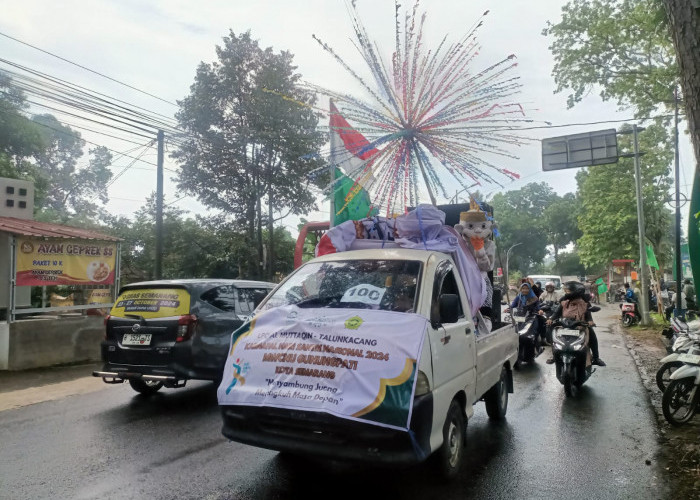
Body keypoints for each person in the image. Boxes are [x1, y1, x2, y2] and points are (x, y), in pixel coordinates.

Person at [546, 281, 606, 366]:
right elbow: (556, 313)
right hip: (565, 325)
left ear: (575, 291)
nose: (566, 293)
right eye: (565, 291)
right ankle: (554, 356)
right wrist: (551, 319)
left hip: (580, 325)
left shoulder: (584, 303)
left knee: (592, 335)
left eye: (567, 291)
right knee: (553, 335)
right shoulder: (564, 302)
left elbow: (588, 314)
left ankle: (596, 358)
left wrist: (590, 321)